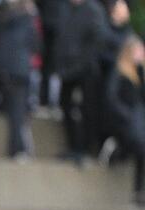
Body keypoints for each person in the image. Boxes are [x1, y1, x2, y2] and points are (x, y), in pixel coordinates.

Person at [54, 0, 108, 163]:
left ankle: (85, 148)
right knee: (65, 104)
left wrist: (81, 64)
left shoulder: (93, 10)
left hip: (86, 71)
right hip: (68, 70)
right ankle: (74, 147)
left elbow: (97, 41)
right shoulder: (65, 9)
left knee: (87, 109)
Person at [0, 0, 39, 159]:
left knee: (14, 112)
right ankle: (18, 149)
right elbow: (37, 45)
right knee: (18, 112)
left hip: (4, 72)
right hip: (20, 72)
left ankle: (16, 149)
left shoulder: (1, 21)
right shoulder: (27, 21)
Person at [106, 35, 145, 205]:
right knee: (139, 148)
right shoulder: (120, 72)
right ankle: (115, 151)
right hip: (126, 122)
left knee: (140, 152)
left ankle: (139, 191)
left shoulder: (140, 73)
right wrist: (126, 115)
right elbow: (111, 97)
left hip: (138, 121)